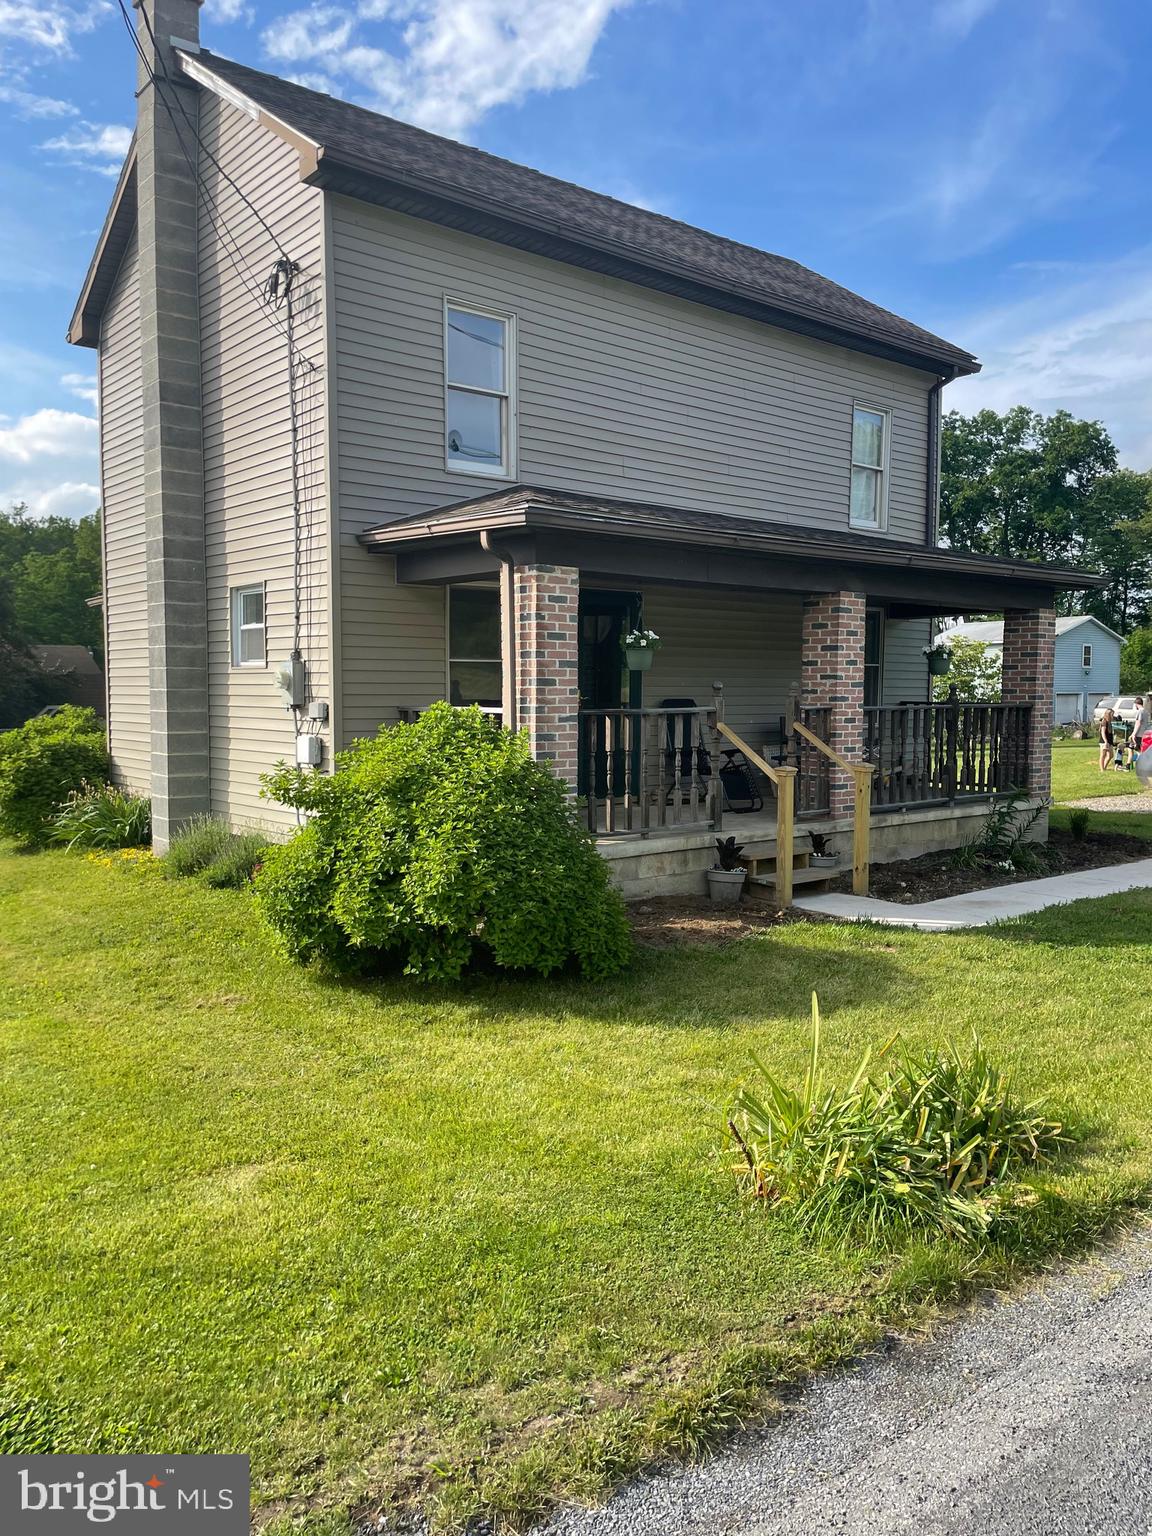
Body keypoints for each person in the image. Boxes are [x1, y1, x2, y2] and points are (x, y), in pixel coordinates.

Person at [1099, 707, 1116, 771]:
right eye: (1112, 714)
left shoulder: (1110, 722)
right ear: (1108, 715)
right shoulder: (1104, 721)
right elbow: (1103, 732)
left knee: (1110, 755)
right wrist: (1105, 741)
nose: (1113, 716)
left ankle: (1105, 767)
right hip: (1104, 741)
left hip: (1110, 740)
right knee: (1103, 755)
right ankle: (1102, 769)